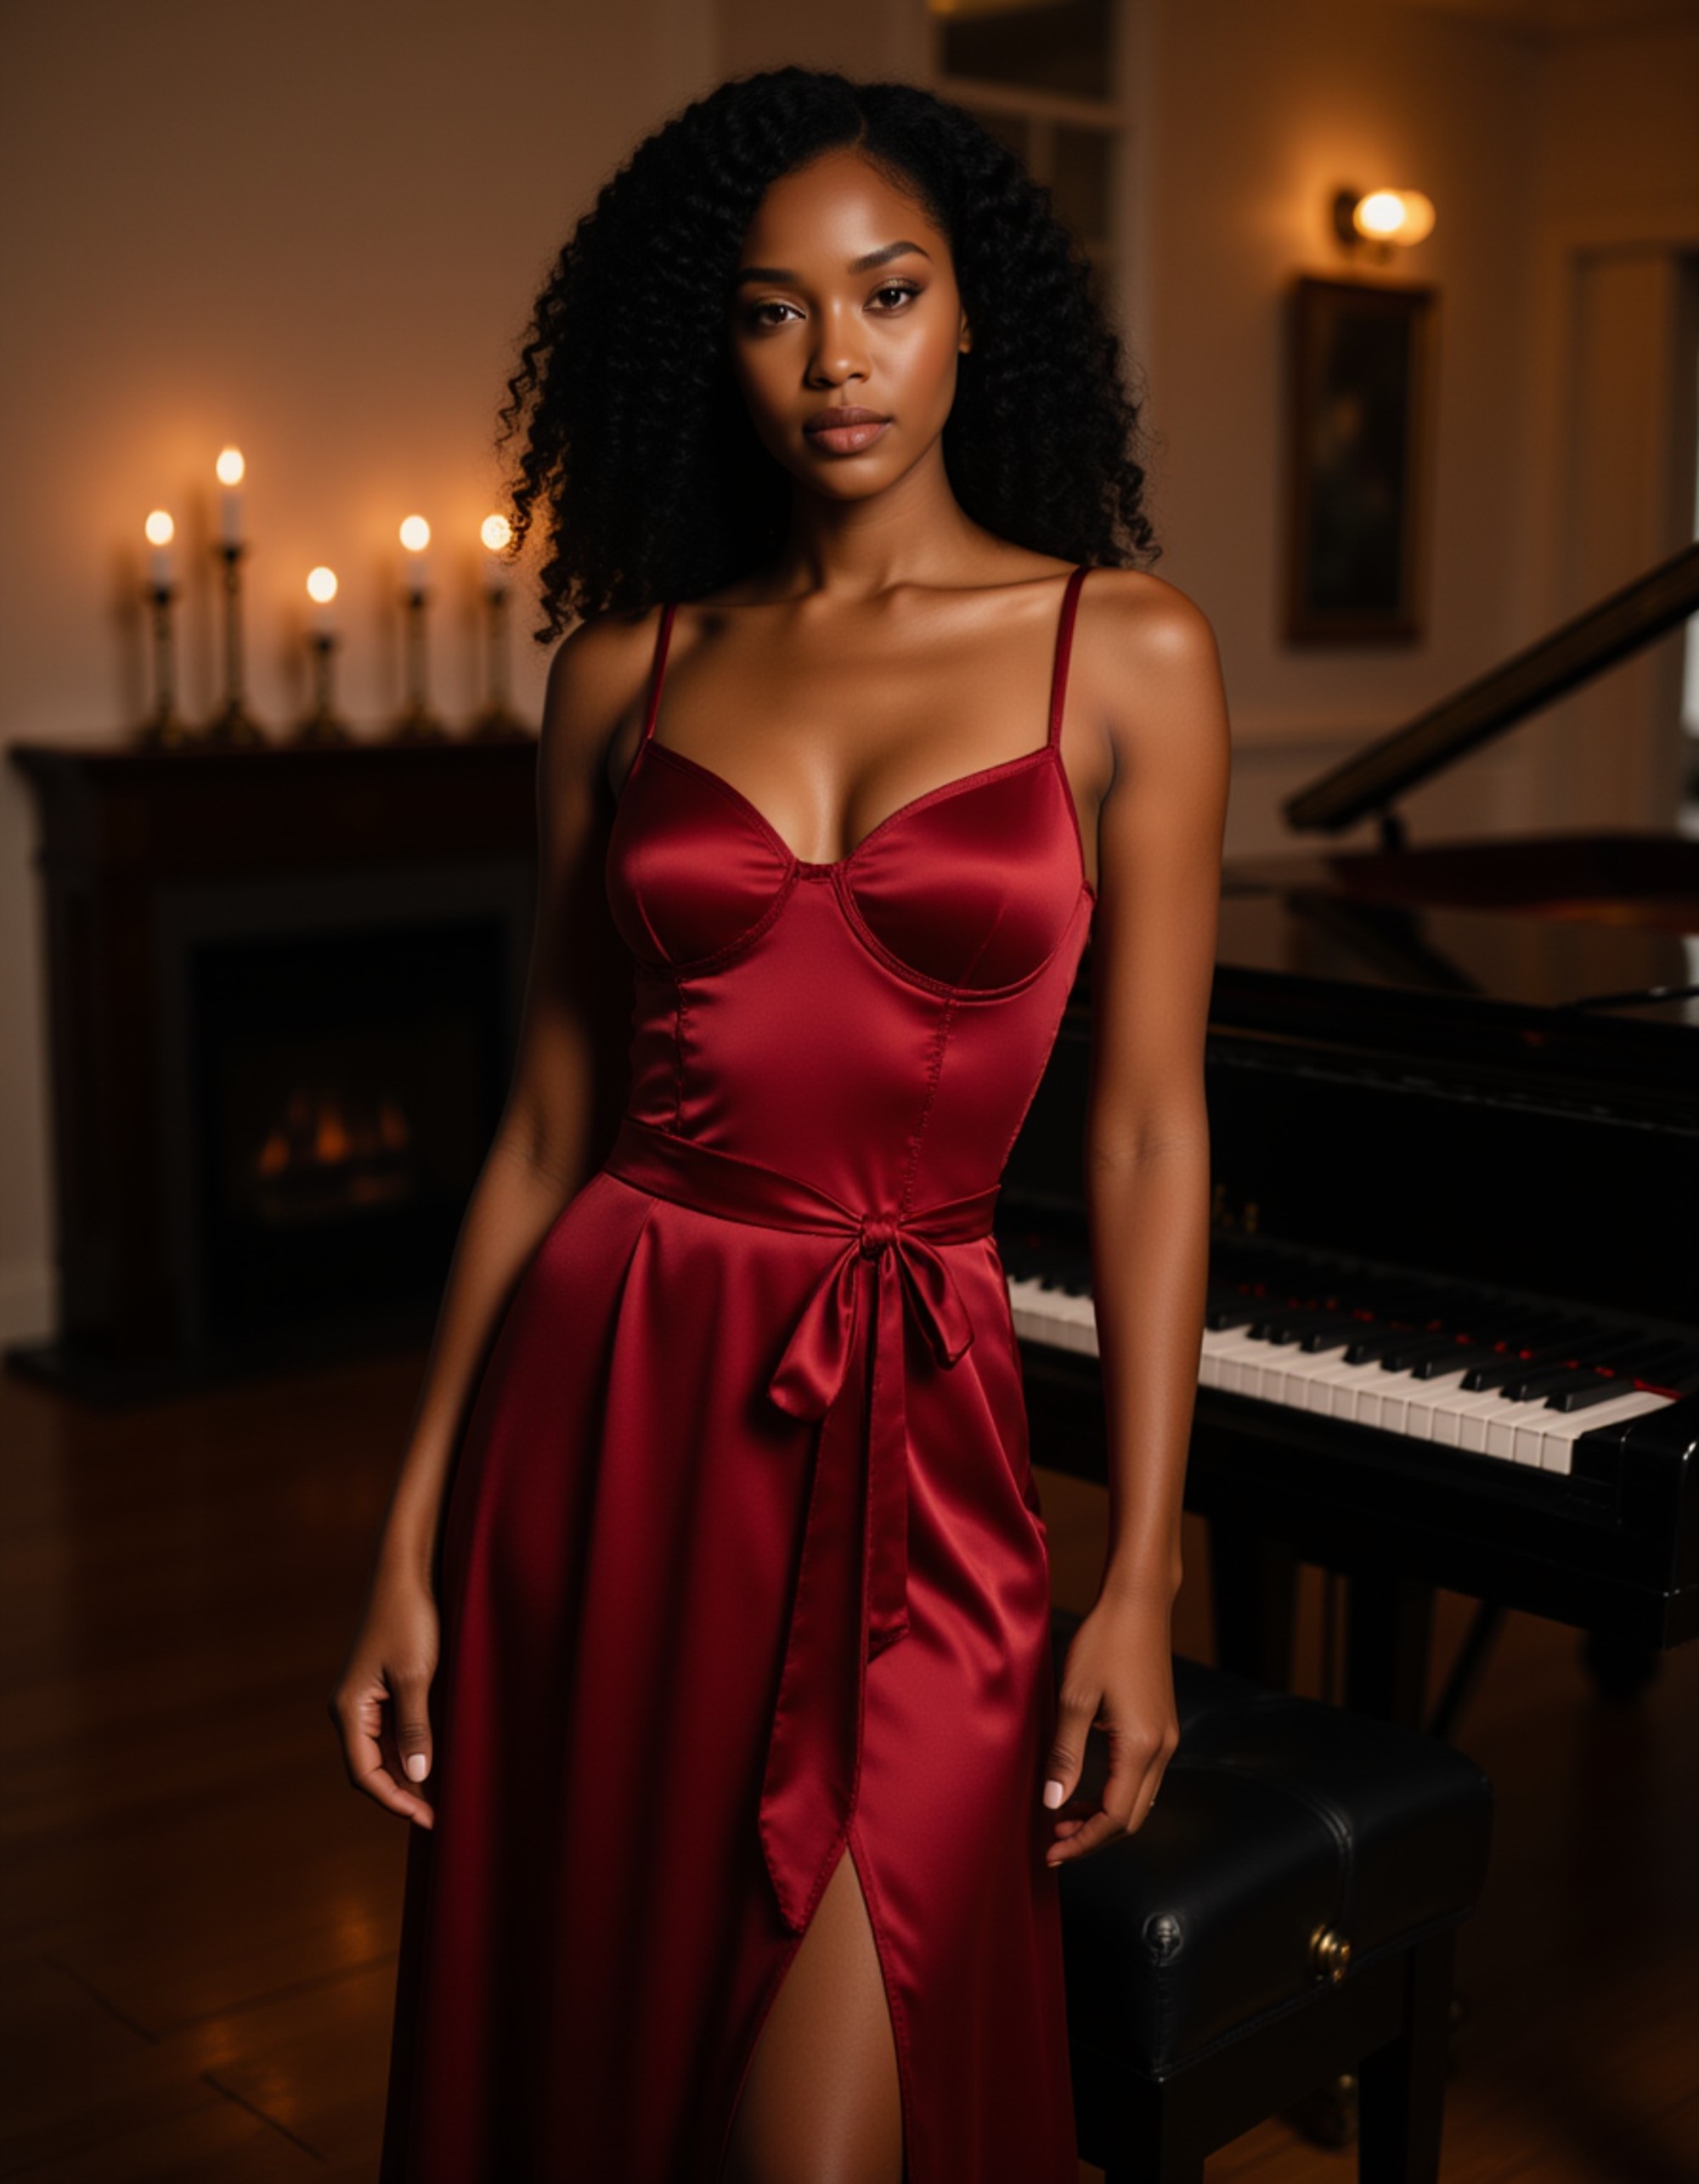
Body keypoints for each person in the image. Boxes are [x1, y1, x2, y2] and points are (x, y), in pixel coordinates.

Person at [333, 65, 1230, 2184]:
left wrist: (1145, 1564)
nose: (838, 359)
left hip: (921, 1433)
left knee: (831, 2112)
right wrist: (408, 1531)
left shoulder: (1124, 653)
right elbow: (545, 1125)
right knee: (597, 2049)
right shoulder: (620, 673)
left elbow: (1145, 1138)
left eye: (887, 294)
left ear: (973, 312)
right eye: (773, 310)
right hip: (611, 1409)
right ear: (708, 347)